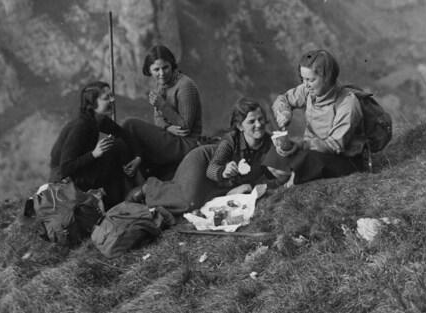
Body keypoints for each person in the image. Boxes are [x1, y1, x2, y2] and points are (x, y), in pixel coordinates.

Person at [128, 97, 273, 214]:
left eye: (260, 119)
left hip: (221, 184)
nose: (258, 125)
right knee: (188, 202)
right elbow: (212, 169)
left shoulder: (270, 143)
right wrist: (224, 171)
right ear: (240, 126)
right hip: (203, 161)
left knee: (205, 205)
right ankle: (149, 188)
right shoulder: (230, 141)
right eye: (251, 121)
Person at [263, 49, 366, 186]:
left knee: (308, 159)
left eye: (311, 79)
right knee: (273, 158)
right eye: (303, 79)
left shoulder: (348, 103)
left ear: (327, 77)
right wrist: (284, 113)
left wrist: (300, 144)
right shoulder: (308, 91)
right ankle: (289, 180)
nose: (305, 85)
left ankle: (293, 183)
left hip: (344, 160)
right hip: (312, 150)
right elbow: (284, 99)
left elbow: (334, 145)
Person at [49, 80, 140, 209]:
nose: (112, 100)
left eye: (111, 95)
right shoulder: (81, 126)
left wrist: (137, 158)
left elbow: (124, 135)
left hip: (80, 171)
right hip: (65, 180)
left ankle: (124, 200)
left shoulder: (99, 120)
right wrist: (94, 154)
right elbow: (65, 168)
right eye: (106, 98)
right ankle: (117, 205)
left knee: (117, 146)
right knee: (111, 152)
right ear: (91, 104)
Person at [122, 45, 203, 179]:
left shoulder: (185, 86)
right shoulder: (162, 84)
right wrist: (168, 127)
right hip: (172, 136)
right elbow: (158, 119)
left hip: (186, 144)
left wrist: (161, 105)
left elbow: (185, 128)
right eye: (156, 69)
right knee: (128, 138)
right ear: (149, 70)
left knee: (130, 125)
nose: (161, 73)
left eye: (165, 67)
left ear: (172, 65)